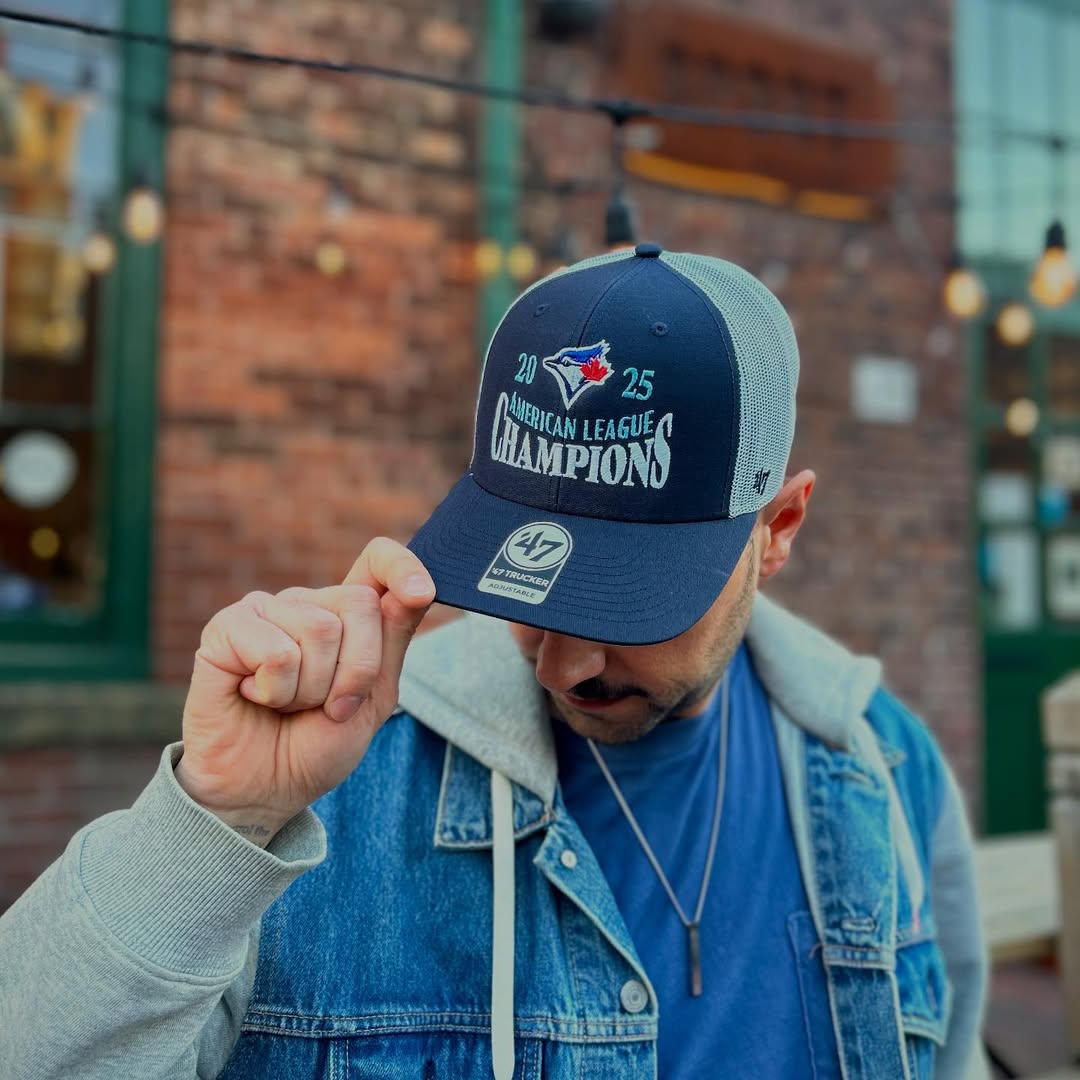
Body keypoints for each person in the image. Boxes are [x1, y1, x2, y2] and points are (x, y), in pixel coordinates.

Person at [0, 245, 987, 1080]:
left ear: (778, 528)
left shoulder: (884, 770)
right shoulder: (334, 791)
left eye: (626, 601)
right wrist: (216, 826)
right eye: (528, 589)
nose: (564, 660)